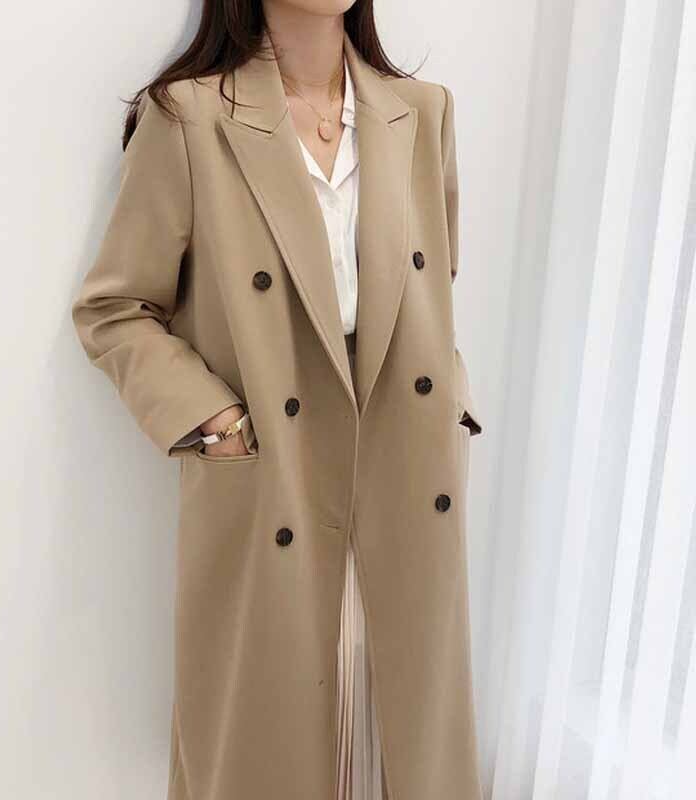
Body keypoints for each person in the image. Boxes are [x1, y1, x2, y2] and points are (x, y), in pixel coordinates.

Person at [72, 2, 484, 798]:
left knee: (403, 738)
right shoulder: (190, 118)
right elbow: (114, 308)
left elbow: (435, 289)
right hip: (277, 472)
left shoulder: (422, 113)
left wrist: (451, 400)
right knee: (276, 746)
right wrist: (215, 421)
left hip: (403, 464)